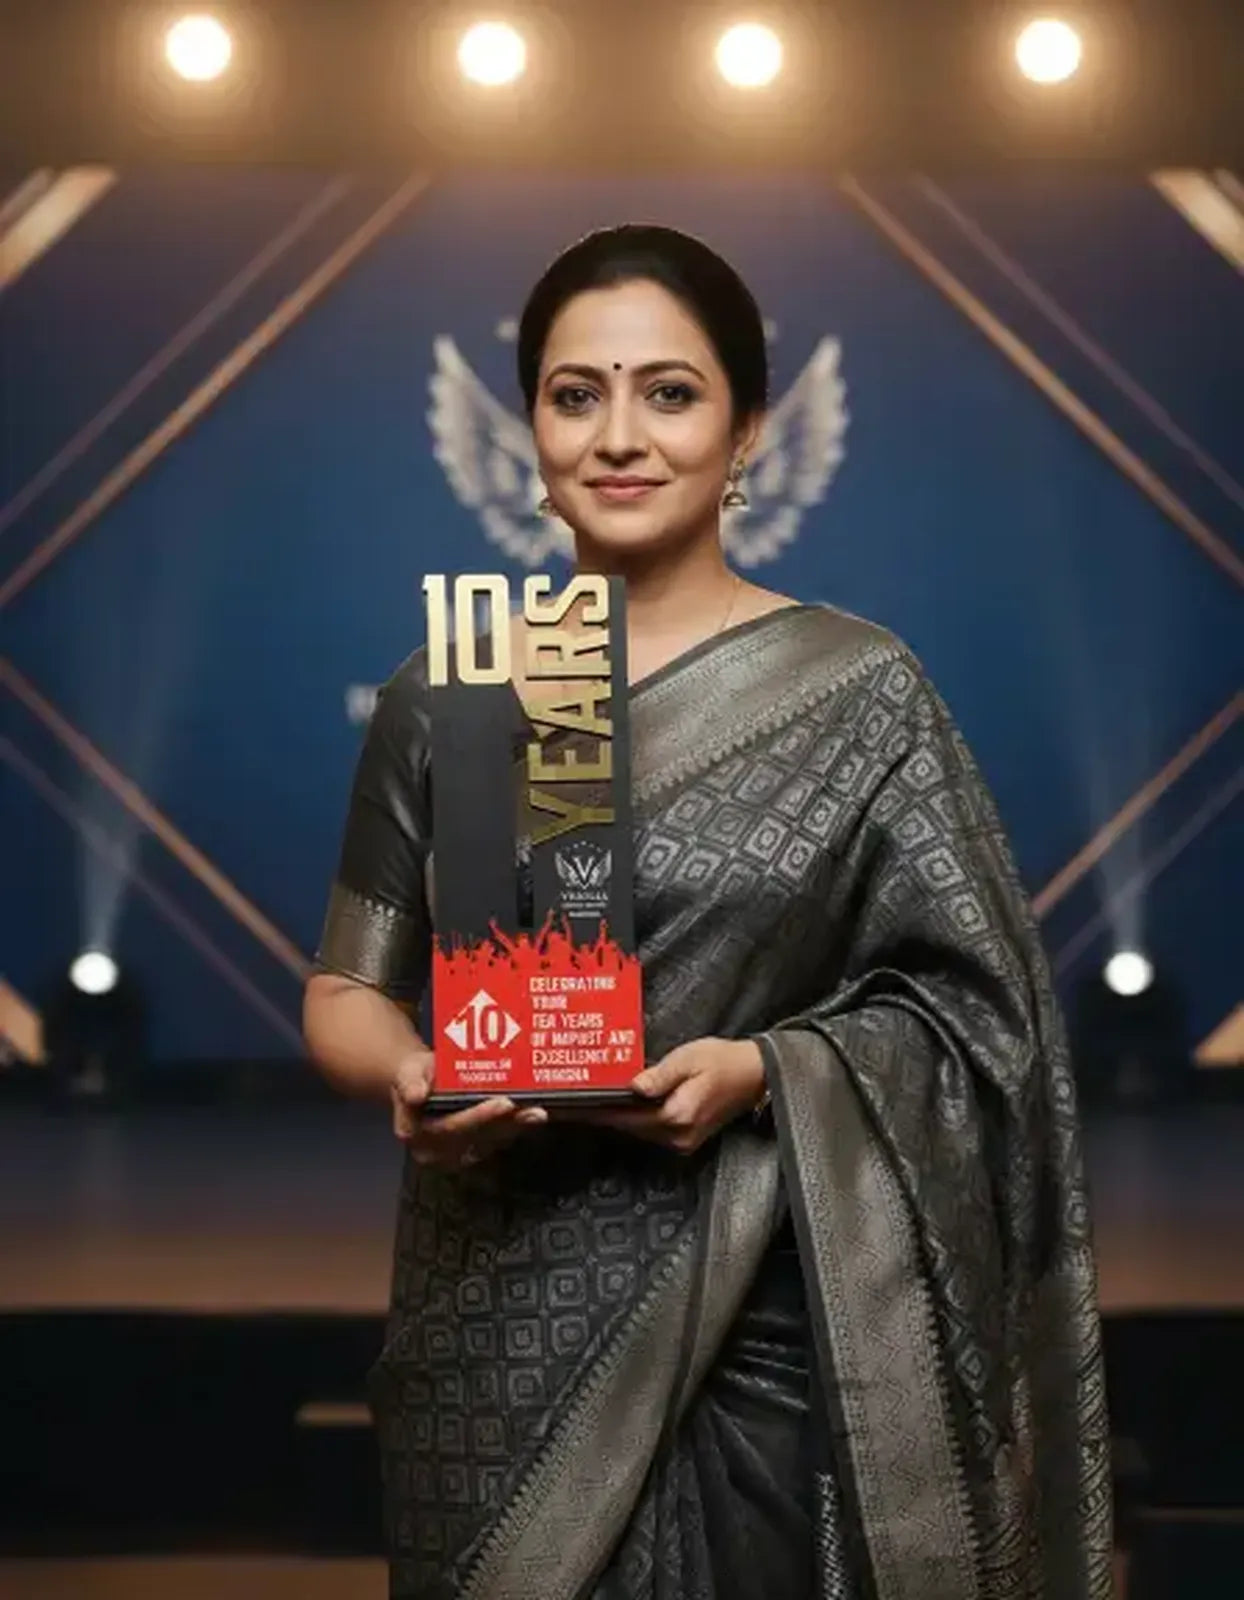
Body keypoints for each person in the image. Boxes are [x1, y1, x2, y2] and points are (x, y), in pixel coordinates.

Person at [303, 224, 1112, 1600]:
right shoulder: (449, 691)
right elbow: (345, 992)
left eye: (669, 393)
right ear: (530, 430)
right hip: (496, 1323)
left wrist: (764, 1073)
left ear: (748, 430)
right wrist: (419, 1074)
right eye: (576, 394)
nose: (619, 435)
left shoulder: (862, 696)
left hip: (771, 1334)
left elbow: (983, 1019)